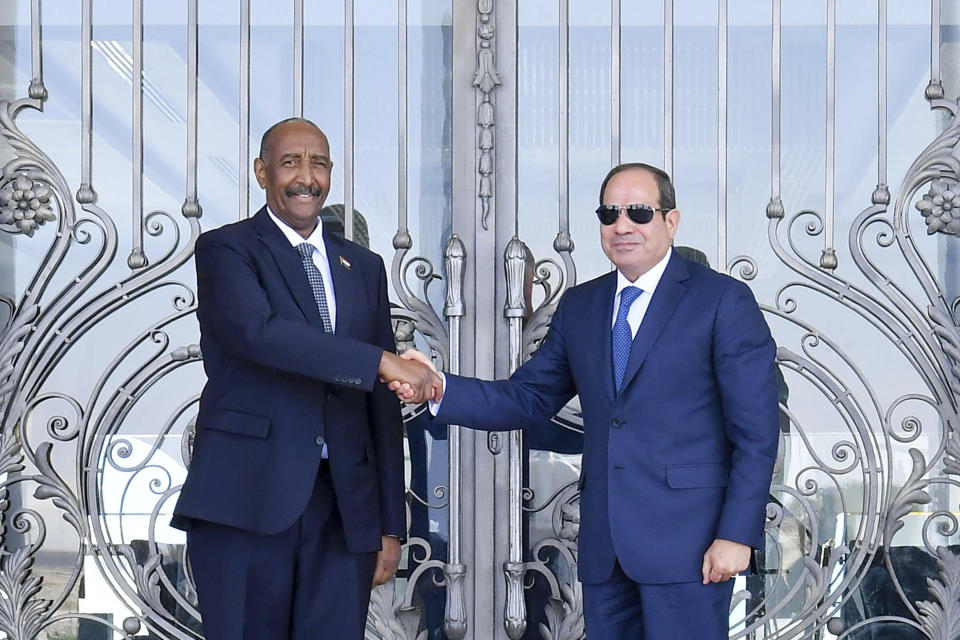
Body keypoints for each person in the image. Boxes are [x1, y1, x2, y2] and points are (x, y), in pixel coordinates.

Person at [391, 163, 780, 639]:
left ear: (671, 221)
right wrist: (438, 386)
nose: (623, 225)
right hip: (606, 550)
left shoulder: (721, 300)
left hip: (690, 548)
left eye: (639, 212)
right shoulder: (582, 306)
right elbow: (525, 397)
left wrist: (737, 534)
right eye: (609, 213)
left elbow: (756, 434)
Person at [170, 117, 440, 640]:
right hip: (246, 500)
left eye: (318, 163)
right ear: (261, 172)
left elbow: (379, 407)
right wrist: (381, 361)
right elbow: (261, 334)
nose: (306, 177)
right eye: (291, 161)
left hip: (344, 509)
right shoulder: (227, 249)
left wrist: (389, 523)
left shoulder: (362, 265)